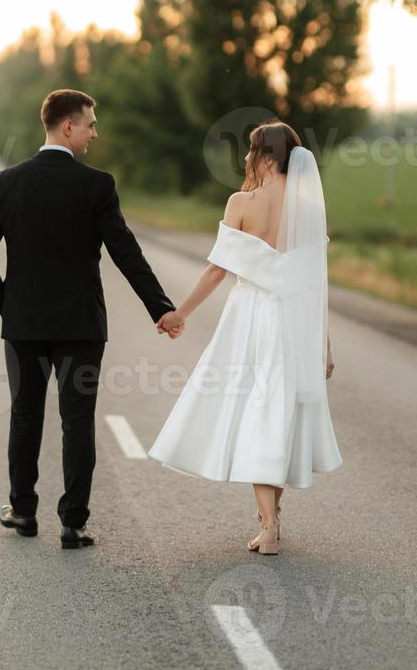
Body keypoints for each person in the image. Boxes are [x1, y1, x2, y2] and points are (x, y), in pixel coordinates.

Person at [0, 88, 183, 549]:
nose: (94, 133)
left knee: (25, 417)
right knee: (77, 421)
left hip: (23, 326)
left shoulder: (8, 183)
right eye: (90, 124)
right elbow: (125, 251)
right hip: (81, 328)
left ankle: (23, 512)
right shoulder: (96, 185)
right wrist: (160, 307)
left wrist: (4, 302)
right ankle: (73, 523)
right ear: (68, 126)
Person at [147, 120, 342, 556]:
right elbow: (315, 282)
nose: (247, 159)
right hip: (296, 319)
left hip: (251, 316)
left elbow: (217, 269)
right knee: (279, 411)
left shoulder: (241, 202)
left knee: (259, 411)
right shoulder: (308, 207)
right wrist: (324, 344)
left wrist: (180, 313)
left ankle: (269, 524)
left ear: (266, 156)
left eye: (251, 151)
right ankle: (270, 518)